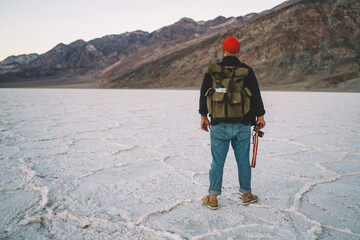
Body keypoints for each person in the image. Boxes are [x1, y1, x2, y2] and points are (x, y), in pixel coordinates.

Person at [199, 37, 266, 210]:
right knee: (243, 161)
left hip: (218, 124)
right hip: (242, 124)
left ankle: (213, 198)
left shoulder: (213, 71)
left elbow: (204, 93)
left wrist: (203, 116)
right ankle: (246, 195)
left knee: (217, 162)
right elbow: (256, 95)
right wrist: (260, 116)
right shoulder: (246, 71)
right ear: (238, 51)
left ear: (223, 50)